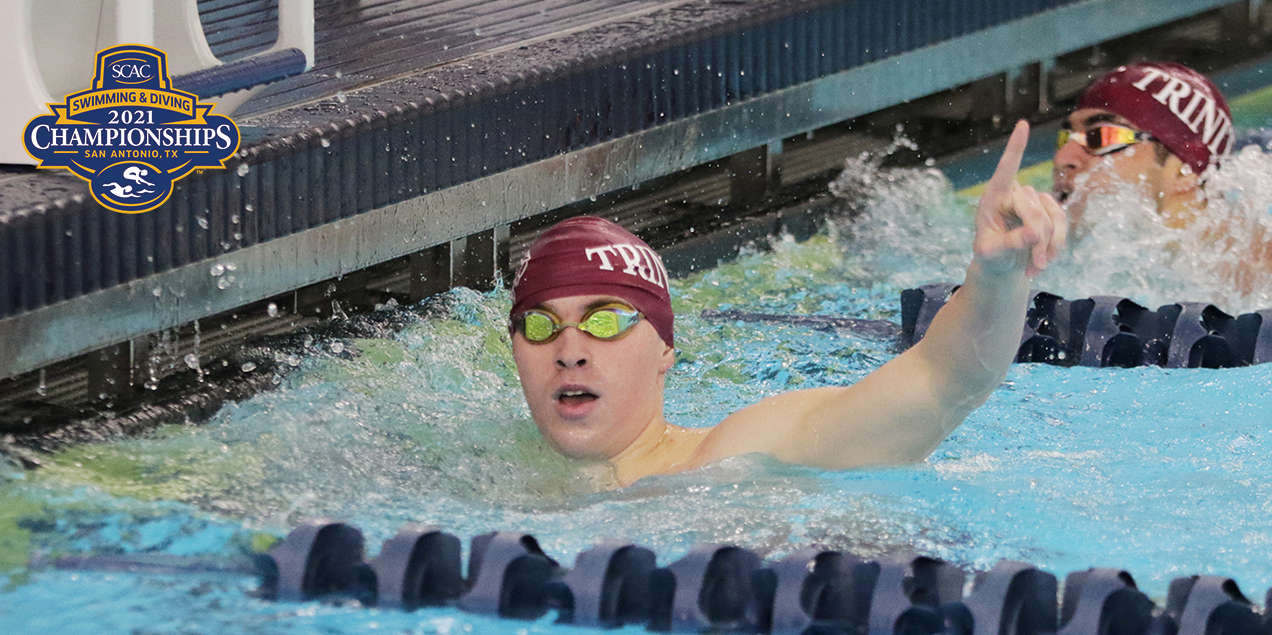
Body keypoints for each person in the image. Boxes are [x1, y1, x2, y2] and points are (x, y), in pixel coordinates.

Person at [509, 121, 1065, 487]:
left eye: (604, 320)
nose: (569, 351)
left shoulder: (748, 452)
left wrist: (995, 276)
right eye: (539, 326)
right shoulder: (489, 472)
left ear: (664, 347)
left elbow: (943, 379)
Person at [1052, 61, 1236, 232]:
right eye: (1065, 138)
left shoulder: (1255, 264)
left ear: (1182, 173)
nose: (1062, 158)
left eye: (1102, 137)